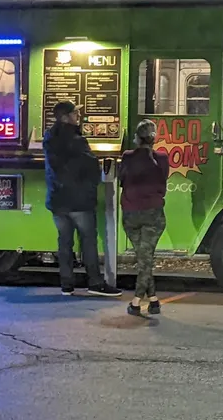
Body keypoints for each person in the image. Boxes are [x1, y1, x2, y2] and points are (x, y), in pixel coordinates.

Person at [44, 101, 122, 297]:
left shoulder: (49, 137)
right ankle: (95, 283)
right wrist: (91, 185)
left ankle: (66, 285)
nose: (77, 116)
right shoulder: (76, 140)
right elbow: (91, 166)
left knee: (64, 242)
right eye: (74, 113)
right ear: (65, 117)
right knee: (88, 241)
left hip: (57, 200)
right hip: (78, 200)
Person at [119, 119, 169, 316]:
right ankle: (153, 300)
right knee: (145, 258)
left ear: (137, 139)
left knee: (143, 258)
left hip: (131, 214)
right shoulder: (163, 158)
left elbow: (122, 180)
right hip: (154, 214)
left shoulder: (128, 156)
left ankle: (137, 300)